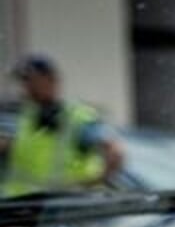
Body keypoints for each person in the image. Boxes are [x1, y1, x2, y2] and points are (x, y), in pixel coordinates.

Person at [0, 54, 124, 197]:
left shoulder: (77, 119)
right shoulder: (26, 118)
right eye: (24, 81)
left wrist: (92, 183)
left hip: (67, 211)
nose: (26, 87)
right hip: (23, 210)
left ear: (52, 81)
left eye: (31, 80)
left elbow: (115, 153)